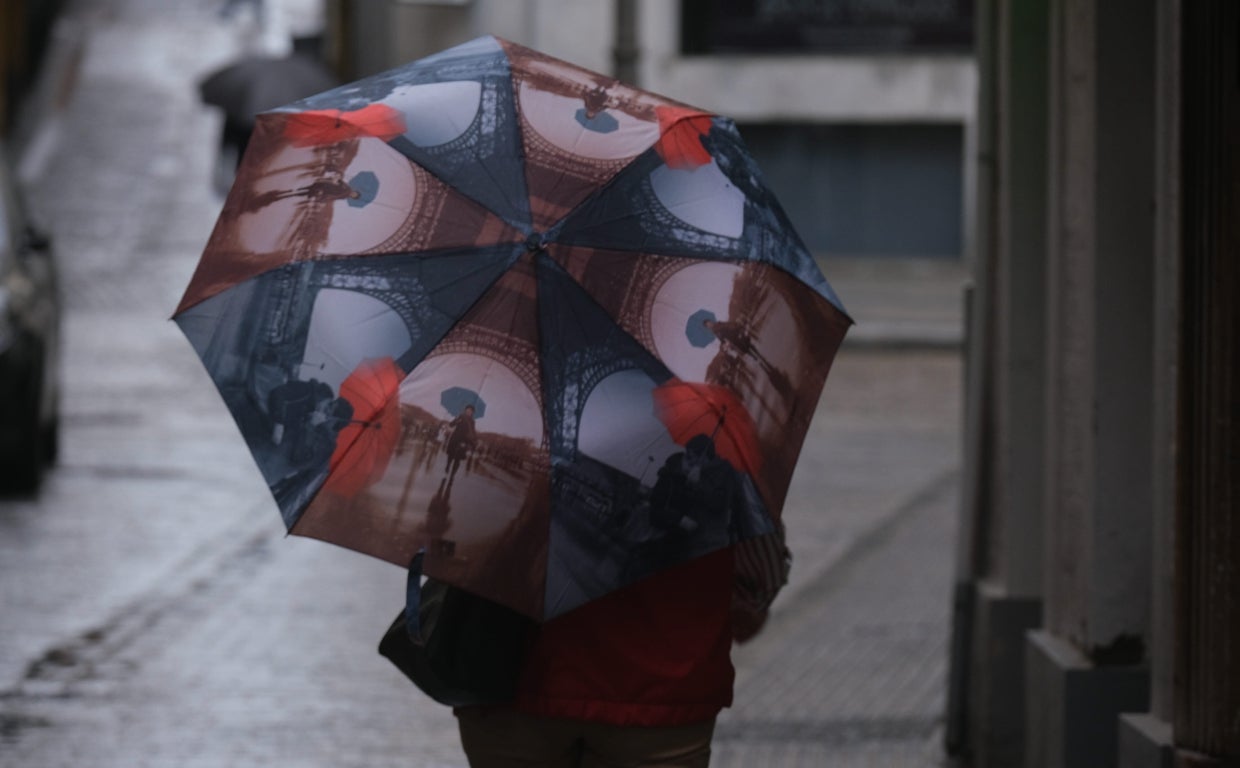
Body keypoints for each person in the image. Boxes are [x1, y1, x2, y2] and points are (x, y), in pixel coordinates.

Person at [453, 500, 790, 767]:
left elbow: (458, 546)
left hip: (514, 681)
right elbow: (762, 574)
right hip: (663, 698)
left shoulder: (523, 419)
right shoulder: (723, 441)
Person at [444, 404, 478, 483]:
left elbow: (472, 431)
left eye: (471, 411)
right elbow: (452, 424)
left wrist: (473, 440)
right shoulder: (460, 416)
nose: (469, 412)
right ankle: (448, 465)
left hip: (464, 441)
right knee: (451, 455)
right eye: (468, 410)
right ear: (465, 410)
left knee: (458, 459)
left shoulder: (472, 421)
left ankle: (453, 474)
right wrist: (456, 420)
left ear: (472, 413)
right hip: (456, 438)